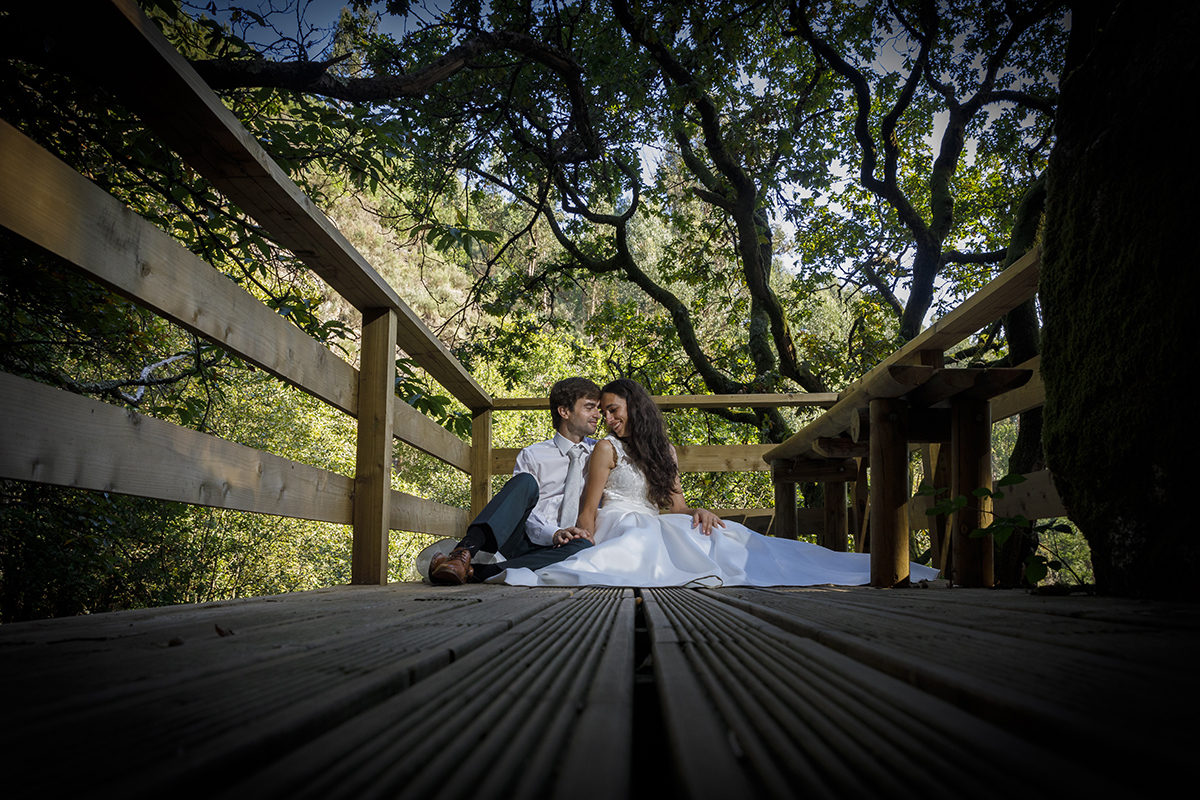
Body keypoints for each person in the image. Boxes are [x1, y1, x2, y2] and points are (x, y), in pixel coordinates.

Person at [497, 378, 941, 587]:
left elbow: (674, 505)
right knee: (641, 538)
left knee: (727, 537)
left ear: (637, 407)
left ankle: (854, 567)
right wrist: (582, 541)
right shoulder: (605, 451)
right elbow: (589, 511)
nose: (608, 420)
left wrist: (698, 511)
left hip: (656, 518)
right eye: (604, 412)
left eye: (614, 410)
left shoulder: (662, 452)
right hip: (617, 521)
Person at [425, 377, 602, 584]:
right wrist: (553, 533)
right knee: (525, 482)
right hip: (523, 540)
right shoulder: (533, 454)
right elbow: (521, 512)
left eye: (598, 408)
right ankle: (462, 553)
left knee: (585, 547)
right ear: (564, 412)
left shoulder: (600, 452)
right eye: (590, 408)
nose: (598, 415)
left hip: (564, 547)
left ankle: (477, 571)